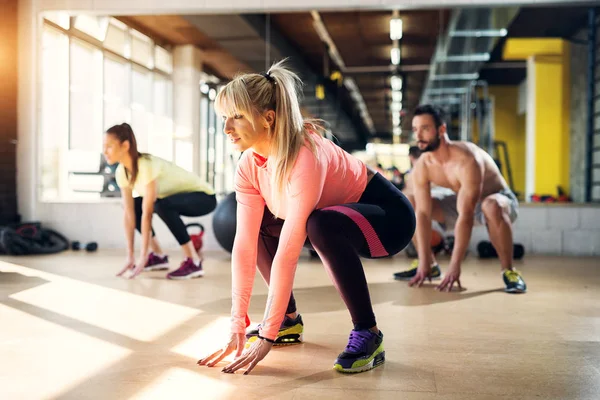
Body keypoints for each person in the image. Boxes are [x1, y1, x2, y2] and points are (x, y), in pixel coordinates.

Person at [197, 60, 416, 375]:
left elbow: (289, 250)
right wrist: (237, 323)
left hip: (389, 221)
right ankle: (288, 320)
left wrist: (266, 335)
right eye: (224, 118)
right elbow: (244, 244)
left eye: (237, 117)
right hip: (341, 222)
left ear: (268, 118)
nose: (227, 128)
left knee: (319, 224)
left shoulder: (305, 155)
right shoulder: (249, 164)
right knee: (259, 227)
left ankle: (369, 333)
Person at [392, 105, 527, 294]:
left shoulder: (467, 159)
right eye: (416, 129)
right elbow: (422, 213)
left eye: (425, 128)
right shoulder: (424, 164)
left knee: (491, 205)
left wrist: (455, 265)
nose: (419, 135)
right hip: (460, 200)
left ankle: (510, 271)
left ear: (441, 130)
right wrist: (423, 258)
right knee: (408, 201)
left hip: (498, 200)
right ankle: (429, 264)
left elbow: (467, 214)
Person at [102, 123, 216, 280]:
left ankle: (193, 261)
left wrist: (142, 257)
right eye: (104, 146)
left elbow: (147, 214)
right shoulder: (122, 172)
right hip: (174, 199)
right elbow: (129, 215)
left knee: (160, 205)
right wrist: (130, 256)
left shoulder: (146, 165)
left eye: (109, 146)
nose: (104, 151)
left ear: (125, 146)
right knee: (135, 207)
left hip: (204, 197)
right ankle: (158, 255)